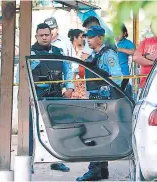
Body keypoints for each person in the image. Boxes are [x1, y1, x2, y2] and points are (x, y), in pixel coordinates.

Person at [76, 25, 123, 181]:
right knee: (100, 133)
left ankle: (94, 170)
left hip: (103, 101)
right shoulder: (95, 55)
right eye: (87, 37)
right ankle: (102, 170)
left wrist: (105, 92)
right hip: (95, 99)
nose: (88, 40)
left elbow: (117, 77)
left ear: (100, 38)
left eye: (91, 37)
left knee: (95, 134)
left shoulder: (108, 54)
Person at [26, 23, 74, 173]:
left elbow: (68, 69)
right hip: (37, 95)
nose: (44, 37)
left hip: (56, 95)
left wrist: (70, 87)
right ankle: (29, 163)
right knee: (31, 130)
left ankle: (56, 160)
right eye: (41, 35)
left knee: (56, 129)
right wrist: (27, 95)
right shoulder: (31, 53)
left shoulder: (58, 52)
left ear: (51, 35)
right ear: (36, 36)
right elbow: (22, 75)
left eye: (47, 34)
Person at [116, 24, 135, 96]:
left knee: (120, 93)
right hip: (113, 73)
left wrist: (121, 49)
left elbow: (134, 52)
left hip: (123, 73)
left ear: (124, 33)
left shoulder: (127, 43)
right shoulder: (111, 41)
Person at [68, 29, 86, 99]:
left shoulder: (85, 50)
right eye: (81, 37)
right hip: (69, 82)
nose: (83, 39)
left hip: (81, 82)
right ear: (75, 38)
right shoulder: (68, 48)